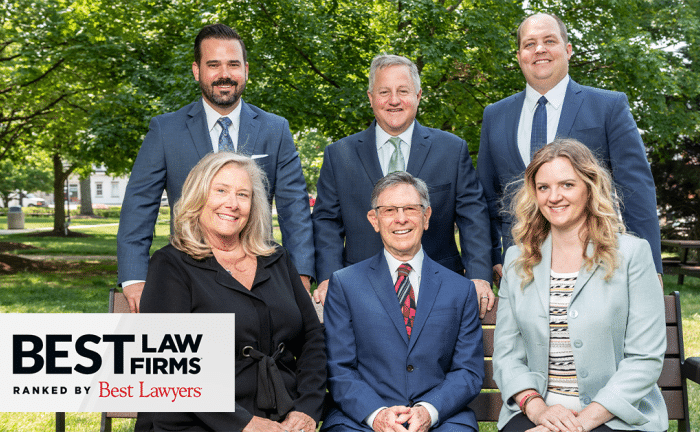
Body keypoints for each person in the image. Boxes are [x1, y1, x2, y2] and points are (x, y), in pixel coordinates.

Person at [117, 23, 314, 313]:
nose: (225, 74)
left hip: (260, 277)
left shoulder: (276, 129)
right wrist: (134, 277)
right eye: (214, 65)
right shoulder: (166, 130)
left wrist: (300, 275)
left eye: (233, 64)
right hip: (187, 276)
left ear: (246, 69)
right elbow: (139, 206)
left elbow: (295, 208)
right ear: (197, 71)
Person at [136, 152, 326, 432]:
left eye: (243, 194)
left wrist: (307, 409)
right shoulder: (171, 265)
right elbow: (171, 365)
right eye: (221, 190)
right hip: (198, 422)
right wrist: (244, 424)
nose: (232, 204)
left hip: (284, 419)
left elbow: (312, 339)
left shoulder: (276, 259)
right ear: (198, 197)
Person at [492, 139, 667, 432]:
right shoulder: (517, 260)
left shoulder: (631, 254)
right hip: (541, 409)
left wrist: (580, 424)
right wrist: (538, 412)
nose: (554, 196)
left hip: (615, 414)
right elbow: (507, 355)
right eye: (543, 187)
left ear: (589, 187)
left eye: (567, 185)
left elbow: (645, 359)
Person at [477, 13, 663, 285]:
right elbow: (485, 196)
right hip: (519, 265)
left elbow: (637, 189)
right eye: (529, 44)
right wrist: (491, 256)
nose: (539, 49)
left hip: (595, 262)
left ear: (567, 50)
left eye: (549, 41)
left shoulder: (608, 107)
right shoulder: (495, 115)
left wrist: (651, 267)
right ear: (519, 56)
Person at [312, 54, 494, 317]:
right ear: (370, 97)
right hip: (360, 291)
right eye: (384, 92)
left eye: (403, 91)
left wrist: (478, 276)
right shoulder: (339, 155)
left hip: (438, 292)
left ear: (418, 95)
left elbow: (473, 217)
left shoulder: (452, 150)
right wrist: (329, 277)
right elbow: (327, 222)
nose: (394, 100)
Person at [322, 172, 484, 432]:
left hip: (441, 420)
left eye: (410, 208)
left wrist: (428, 411)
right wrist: (377, 415)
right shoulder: (345, 285)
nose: (401, 219)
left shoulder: (460, 289)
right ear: (374, 220)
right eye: (389, 210)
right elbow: (339, 369)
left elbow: (468, 371)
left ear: (426, 216)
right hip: (362, 421)